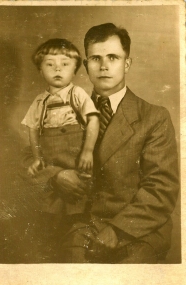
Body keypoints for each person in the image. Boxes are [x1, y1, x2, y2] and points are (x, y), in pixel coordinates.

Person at [49, 23, 179, 264]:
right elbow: (37, 160)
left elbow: (161, 189)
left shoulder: (153, 117)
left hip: (138, 230)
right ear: (86, 66)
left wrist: (118, 231)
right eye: (96, 58)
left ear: (127, 63)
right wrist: (56, 175)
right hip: (84, 227)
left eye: (113, 57)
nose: (104, 66)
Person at [21, 38, 99, 215]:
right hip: (51, 159)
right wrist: (37, 157)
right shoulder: (39, 101)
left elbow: (93, 120)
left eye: (65, 64)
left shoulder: (77, 94)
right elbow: (33, 130)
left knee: (79, 196)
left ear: (74, 71)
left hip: (75, 155)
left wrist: (87, 151)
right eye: (50, 64)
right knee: (50, 203)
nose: (57, 69)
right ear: (40, 70)